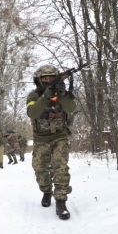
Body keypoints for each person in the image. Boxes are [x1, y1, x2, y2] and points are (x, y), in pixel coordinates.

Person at [26, 64, 76, 220]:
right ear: (39, 80)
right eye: (44, 78)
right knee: (39, 168)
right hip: (41, 138)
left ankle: (61, 200)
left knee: (60, 165)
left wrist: (62, 95)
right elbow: (32, 113)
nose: (48, 80)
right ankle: (47, 191)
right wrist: (44, 97)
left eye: (51, 78)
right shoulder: (33, 96)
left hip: (60, 136)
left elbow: (72, 108)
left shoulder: (62, 93)